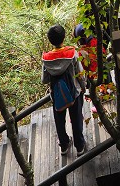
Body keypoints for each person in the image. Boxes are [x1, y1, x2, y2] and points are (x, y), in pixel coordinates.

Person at [42, 24, 87, 157]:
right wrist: (83, 87)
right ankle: (79, 146)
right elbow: (80, 73)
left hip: (57, 94)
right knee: (76, 118)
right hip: (74, 93)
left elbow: (44, 79)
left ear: (50, 40)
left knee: (59, 120)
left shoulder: (46, 58)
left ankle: (64, 145)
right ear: (64, 37)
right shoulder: (72, 53)